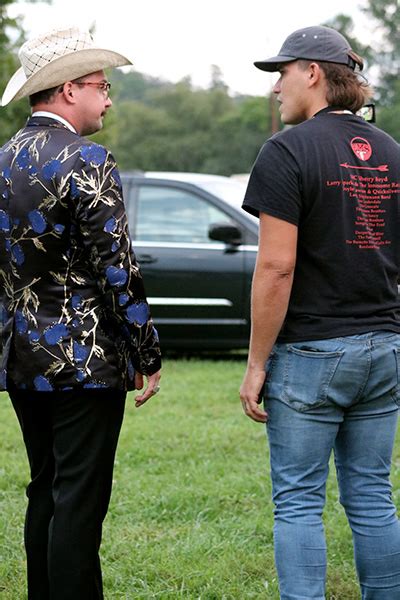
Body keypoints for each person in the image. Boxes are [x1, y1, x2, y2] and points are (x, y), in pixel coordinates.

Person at [0, 27, 161, 599]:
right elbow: (116, 269)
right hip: (85, 359)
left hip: (19, 356)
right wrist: (147, 353)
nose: (109, 98)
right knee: (79, 500)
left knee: (45, 487)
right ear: (69, 90)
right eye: (103, 86)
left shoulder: (3, 159)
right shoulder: (87, 160)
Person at [240, 25, 400, 599]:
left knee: (299, 502)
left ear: (313, 73)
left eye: (282, 73)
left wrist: (257, 363)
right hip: (384, 350)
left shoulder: (286, 152)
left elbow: (276, 268)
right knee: (372, 496)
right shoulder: (391, 153)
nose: (276, 87)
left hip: (311, 354)